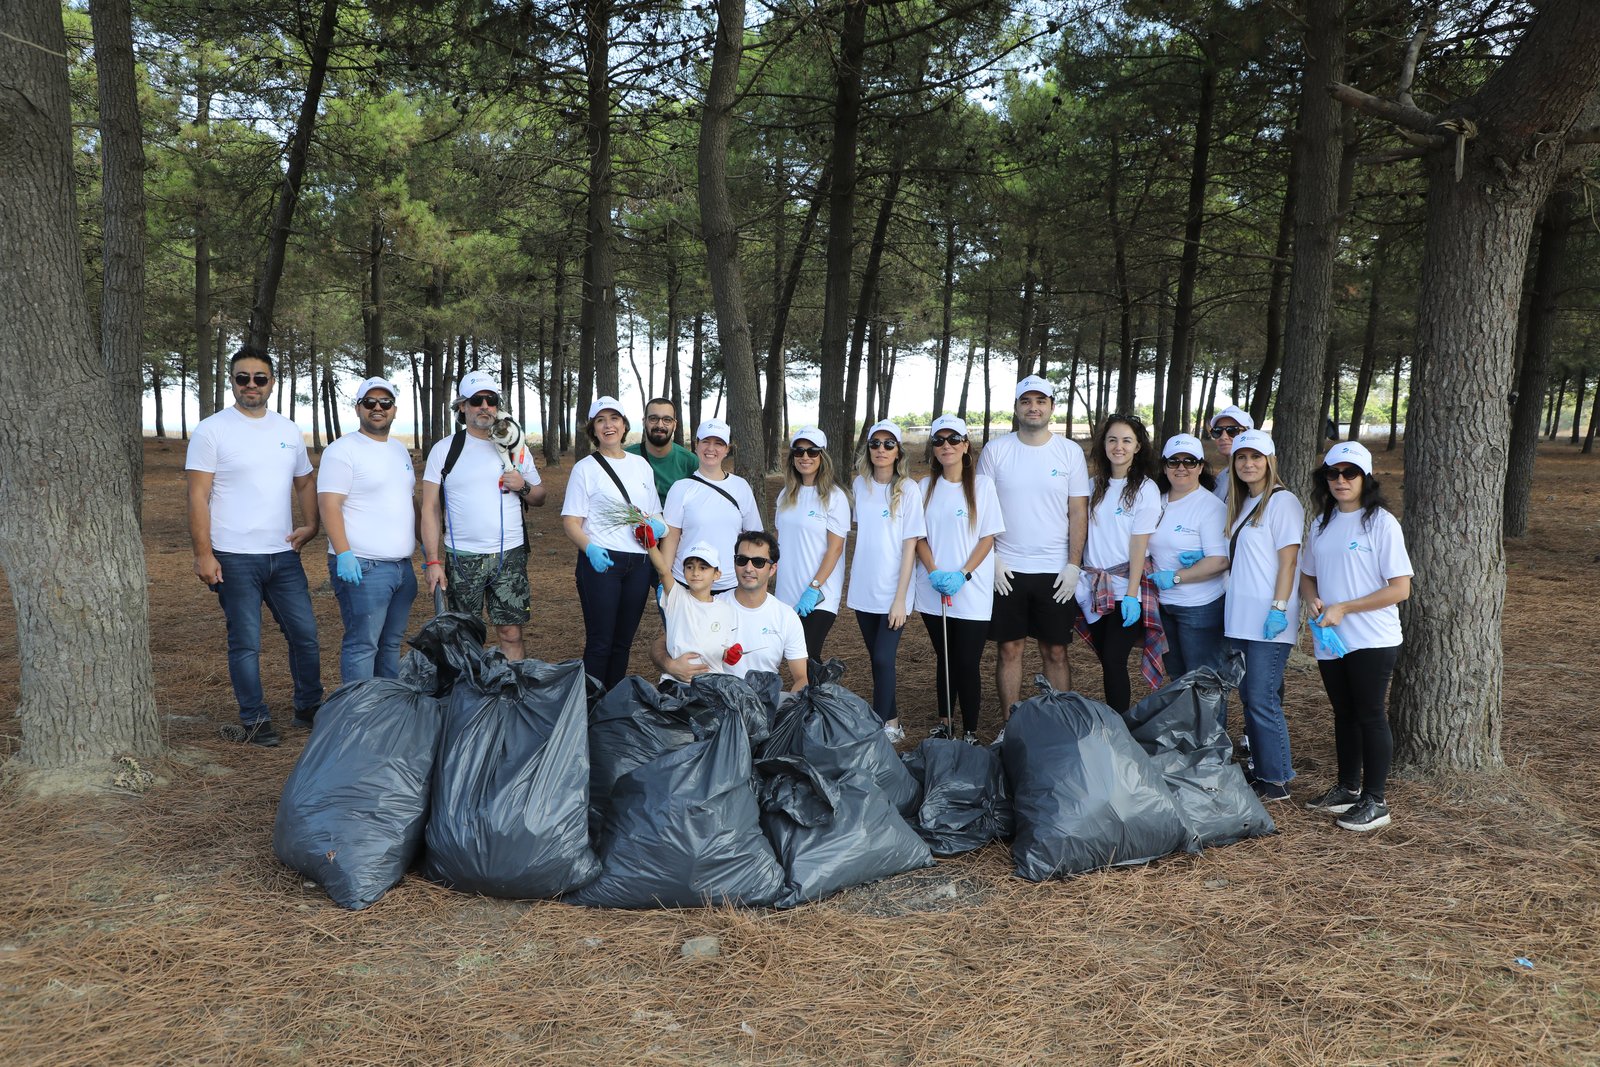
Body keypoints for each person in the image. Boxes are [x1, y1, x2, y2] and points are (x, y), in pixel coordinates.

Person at [186, 350, 322, 747]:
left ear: (272, 383)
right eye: (242, 378)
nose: (250, 385)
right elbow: (198, 495)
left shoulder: (288, 430)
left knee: (305, 635)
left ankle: (309, 708)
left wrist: (311, 525)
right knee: (246, 642)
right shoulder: (212, 430)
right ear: (231, 381)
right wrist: (203, 553)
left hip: (283, 555)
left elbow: (305, 481)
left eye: (259, 379)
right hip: (232, 557)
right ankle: (255, 718)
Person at [1300, 440, 1413, 832]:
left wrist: (1344, 607)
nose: (1341, 480)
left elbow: (1400, 588)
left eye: (1350, 473)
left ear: (1366, 478)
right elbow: (1307, 573)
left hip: (1372, 638)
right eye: (1333, 473)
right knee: (1344, 714)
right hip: (1331, 638)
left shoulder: (1381, 523)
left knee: (1369, 715)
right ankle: (1348, 788)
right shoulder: (1321, 523)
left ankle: (1376, 800)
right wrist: (1312, 599)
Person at [977, 374, 1089, 737]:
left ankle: (1060, 725)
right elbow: (982, 507)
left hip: (1054, 570)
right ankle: (1012, 727)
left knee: (1055, 651)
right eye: (1026, 401)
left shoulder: (1069, 452)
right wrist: (990, 557)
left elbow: (1078, 512)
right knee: (1009, 649)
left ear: (1051, 408)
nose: (1034, 407)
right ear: (1016, 408)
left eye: (1041, 401)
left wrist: (1074, 564)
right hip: (1007, 567)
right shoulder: (996, 450)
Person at [420, 370, 545, 660]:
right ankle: (469, 698)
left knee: (511, 633)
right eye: (477, 400)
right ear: (462, 406)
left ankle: (512, 694)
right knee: (464, 637)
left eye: (491, 400)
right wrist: (433, 561)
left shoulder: (514, 446)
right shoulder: (444, 450)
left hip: (509, 555)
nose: (485, 406)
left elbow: (540, 496)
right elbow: (429, 508)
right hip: (462, 558)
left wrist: (523, 486)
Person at [316, 377, 419, 684]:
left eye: (385, 403)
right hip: (363, 567)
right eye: (370, 403)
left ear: (394, 410)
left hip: (402, 568)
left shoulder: (399, 451)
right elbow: (329, 505)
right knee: (363, 645)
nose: (378, 408)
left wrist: (426, 547)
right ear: (358, 408)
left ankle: (384, 710)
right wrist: (344, 554)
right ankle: (357, 716)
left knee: (389, 646)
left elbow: (407, 502)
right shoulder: (342, 450)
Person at [561, 396, 665, 690]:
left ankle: (611, 706)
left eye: (614, 419)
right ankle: (588, 705)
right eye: (601, 420)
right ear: (593, 429)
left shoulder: (641, 465)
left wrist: (658, 526)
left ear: (624, 425)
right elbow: (571, 521)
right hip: (602, 562)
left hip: (639, 564)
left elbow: (653, 511)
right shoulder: (586, 468)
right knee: (600, 641)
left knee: (622, 643)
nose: (608, 425)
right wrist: (590, 548)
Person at [1223, 428, 1303, 802]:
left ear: (1270, 461)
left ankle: (1276, 778)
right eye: (1241, 457)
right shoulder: (1242, 505)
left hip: (1267, 618)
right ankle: (1261, 768)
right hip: (1240, 617)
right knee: (1249, 696)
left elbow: (1288, 562)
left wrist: (1279, 608)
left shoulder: (1283, 502)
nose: (1248, 464)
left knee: (1261, 696)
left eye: (1255, 457)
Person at [914, 415, 1004, 744]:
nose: (946, 446)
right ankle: (945, 721)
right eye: (939, 440)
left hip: (971, 590)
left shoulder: (982, 486)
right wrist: (935, 571)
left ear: (966, 445)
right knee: (946, 657)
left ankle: (969, 730)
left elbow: (987, 538)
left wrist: (963, 574)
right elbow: (918, 536)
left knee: (966, 661)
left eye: (954, 439)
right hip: (932, 588)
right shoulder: (924, 487)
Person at [1075, 414, 1165, 713]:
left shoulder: (1144, 489)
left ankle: (1120, 726)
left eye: (1127, 440)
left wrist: (1131, 594)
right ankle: (1117, 721)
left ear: (1138, 447)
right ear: (1103, 444)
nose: (1119, 446)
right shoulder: (1092, 486)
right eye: (1112, 439)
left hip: (1127, 588)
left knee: (1114, 658)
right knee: (1106, 659)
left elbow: (1140, 543)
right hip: (1093, 589)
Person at [653, 530, 808, 691]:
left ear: (773, 569)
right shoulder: (711, 604)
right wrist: (670, 665)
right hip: (713, 700)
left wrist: (788, 712)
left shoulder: (786, 616)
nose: (748, 568)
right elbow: (663, 642)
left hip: (761, 706)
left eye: (758, 562)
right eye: (742, 560)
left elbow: (801, 678)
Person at [847, 420, 924, 742]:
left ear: (898, 451)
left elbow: (911, 547)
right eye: (875, 444)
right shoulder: (859, 486)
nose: (881, 449)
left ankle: (883, 728)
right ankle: (893, 720)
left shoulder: (908, 489)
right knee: (877, 661)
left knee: (882, 658)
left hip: (894, 593)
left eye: (888, 444)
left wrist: (900, 598)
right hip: (863, 590)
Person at [1146, 433, 1230, 681]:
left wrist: (1176, 577)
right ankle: (1186, 721)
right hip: (1163, 606)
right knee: (1177, 677)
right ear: (1164, 466)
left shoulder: (1210, 507)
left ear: (1201, 466)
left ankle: (1211, 722)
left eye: (1189, 461)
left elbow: (1220, 560)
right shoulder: (1156, 501)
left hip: (1199, 607)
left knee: (1203, 679)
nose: (1181, 467)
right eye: (1174, 461)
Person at [659, 418, 763, 596]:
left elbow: (754, 537)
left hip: (730, 585)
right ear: (696, 444)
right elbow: (671, 539)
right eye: (705, 441)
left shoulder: (741, 487)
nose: (711, 449)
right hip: (687, 583)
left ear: (727, 449)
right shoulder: (681, 488)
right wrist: (665, 581)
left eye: (719, 443)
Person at [773, 426, 851, 660]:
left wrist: (814, 587)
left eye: (812, 451)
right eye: (799, 451)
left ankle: (817, 697)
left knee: (809, 653)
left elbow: (835, 548)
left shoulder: (835, 497)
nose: (805, 457)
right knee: (793, 656)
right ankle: (807, 696)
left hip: (819, 593)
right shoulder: (786, 495)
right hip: (786, 590)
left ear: (822, 456)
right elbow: (779, 540)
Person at [645, 539, 739, 686]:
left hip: (712, 686)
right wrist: (650, 545)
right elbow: (663, 570)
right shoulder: (677, 597)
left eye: (703, 568)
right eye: (690, 567)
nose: (695, 573)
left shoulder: (726, 610)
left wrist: (731, 655)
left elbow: (725, 647)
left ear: (716, 574)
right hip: (675, 684)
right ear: (683, 572)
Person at [625, 396, 699, 502]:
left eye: (667, 420)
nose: (660, 425)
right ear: (644, 422)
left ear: (674, 425)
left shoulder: (690, 462)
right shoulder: (627, 457)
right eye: (653, 419)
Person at [1208, 405, 1254, 505]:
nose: (1223, 437)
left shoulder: (1255, 477)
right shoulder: (1222, 476)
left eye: (1232, 431)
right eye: (1217, 431)